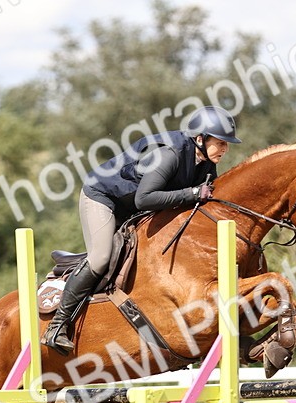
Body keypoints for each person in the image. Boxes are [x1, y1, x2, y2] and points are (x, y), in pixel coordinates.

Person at [40, 106, 241, 354]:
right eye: (220, 142)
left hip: (134, 205)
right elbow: (144, 199)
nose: (225, 149)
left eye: (227, 144)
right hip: (103, 198)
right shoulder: (170, 154)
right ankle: (57, 326)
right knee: (102, 256)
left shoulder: (206, 164)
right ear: (200, 138)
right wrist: (191, 193)